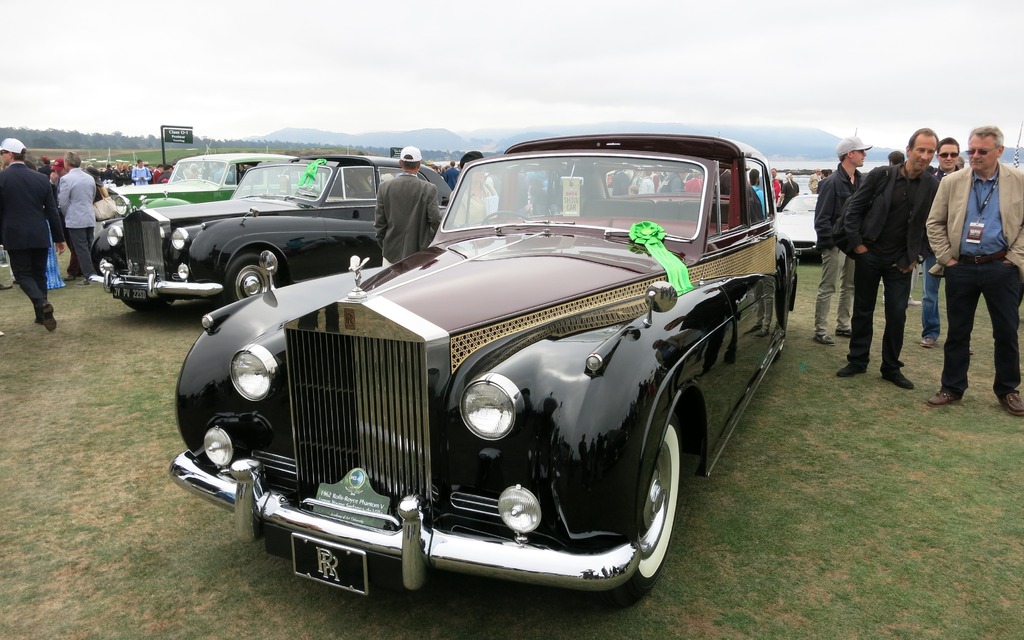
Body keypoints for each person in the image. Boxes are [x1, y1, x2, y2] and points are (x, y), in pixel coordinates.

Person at [925, 126, 1024, 416]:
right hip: (962, 268)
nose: (975, 156)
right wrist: (947, 258)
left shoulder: (1018, 180)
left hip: (1001, 267)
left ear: (1000, 151)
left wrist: (1014, 259)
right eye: (972, 150)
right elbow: (935, 222)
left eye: (982, 151)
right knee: (958, 332)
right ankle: (951, 388)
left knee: (1006, 331)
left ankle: (1008, 390)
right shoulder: (953, 181)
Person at [836, 128, 939, 390]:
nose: (925, 156)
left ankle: (890, 367)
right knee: (863, 310)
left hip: (902, 263)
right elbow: (854, 210)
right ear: (909, 150)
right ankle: (858, 360)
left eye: (930, 151)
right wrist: (859, 246)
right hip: (870, 254)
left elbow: (934, 225)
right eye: (921, 150)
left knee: (897, 315)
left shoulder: (932, 185)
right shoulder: (882, 175)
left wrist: (917, 256)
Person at [0, 138, 67, 331]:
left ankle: (41, 304)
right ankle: (42, 315)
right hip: (38, 231)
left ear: (9, 154)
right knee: (39, 274)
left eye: (2, 153)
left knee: (22, 274)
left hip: (14, 233)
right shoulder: (40, 179)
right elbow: (52, 211)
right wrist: (59, 237)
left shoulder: (2, 178)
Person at [811, 136, 870, 345]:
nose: (865, 155)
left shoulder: (862, 181)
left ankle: (843, 326)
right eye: (862, 151)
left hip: (853, 243)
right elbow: (822, 218)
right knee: (828, 286)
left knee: (850, 286)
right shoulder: (830, 183)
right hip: (835, 244)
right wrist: (830, 244)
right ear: (850, 154)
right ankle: (820, 329)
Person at [918, 137, 960, 348]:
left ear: (959, 156)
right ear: (938, 156)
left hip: (960, 250)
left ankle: (959, 337)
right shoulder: (929, 180)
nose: (949, 158)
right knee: (929, 295)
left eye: (953, 154)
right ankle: (930, 333)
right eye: (944, 154)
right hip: (932, 247)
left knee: (959, 297)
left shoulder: (969, 182)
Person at [374, 146, 440, 266]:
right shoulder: (429, 188)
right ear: (419, 164)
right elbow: (435, 220)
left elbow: (379, 223)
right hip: (419, 253)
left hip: (391, 252)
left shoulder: (384, 187)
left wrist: (385, 244)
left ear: (400, 163)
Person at [57, 152, 98, 285]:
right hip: (88, 215)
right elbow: (92, 195)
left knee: (81, 248)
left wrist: (67, 214)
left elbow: (63, 202)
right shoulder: (89, 178)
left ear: (67, 163)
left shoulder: (66, 179)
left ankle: (89, 275)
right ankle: (94, 271)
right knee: (90, 245)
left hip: (75, 217)